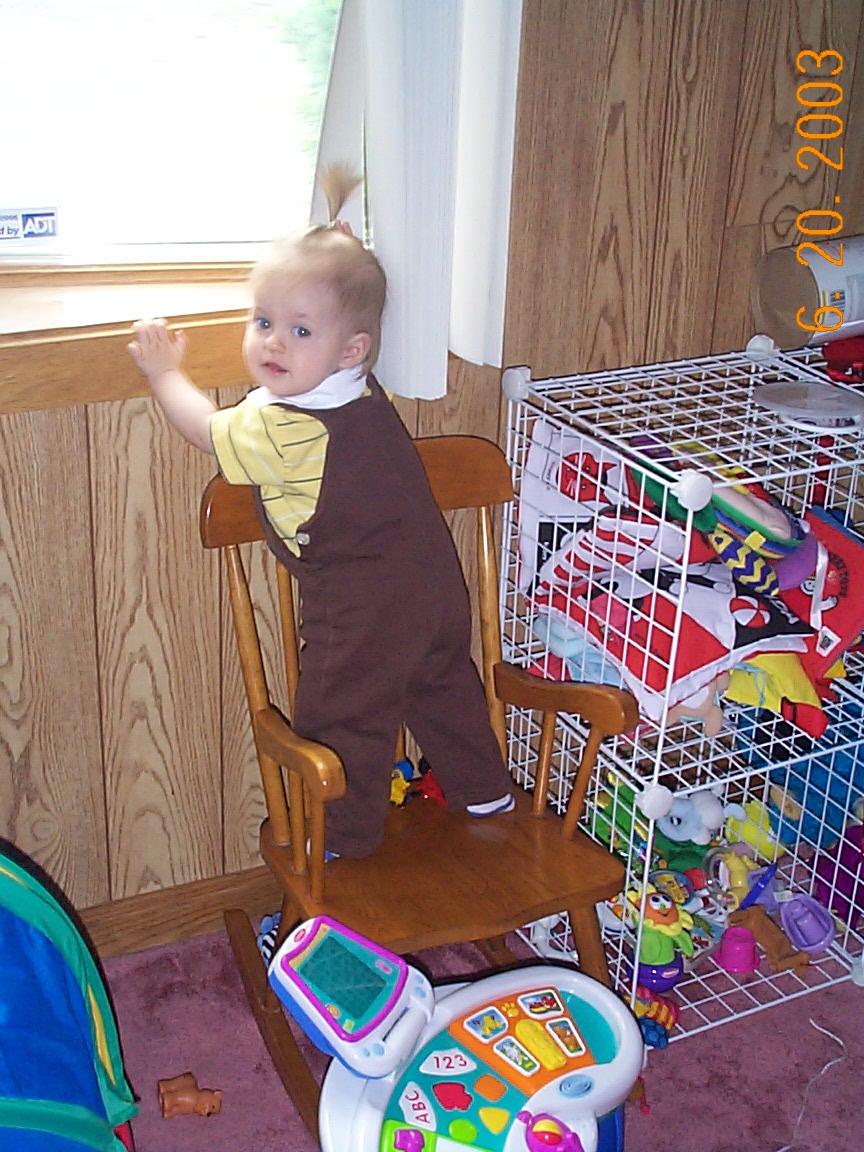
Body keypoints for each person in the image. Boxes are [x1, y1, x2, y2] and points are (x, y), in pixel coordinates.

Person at [127, 169, 514, 859]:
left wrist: (164, 375)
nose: (273, 343)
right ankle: (486, 789)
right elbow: (337, 319)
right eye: (263, 322)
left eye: (298, 329)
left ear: (349, 348)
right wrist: (339, 260)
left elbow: (205, 430)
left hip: (359, 606)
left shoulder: (282, 426)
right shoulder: (358, 388)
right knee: (443, 684)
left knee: (343, 718)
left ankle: (341, 839)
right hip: (434, 586)